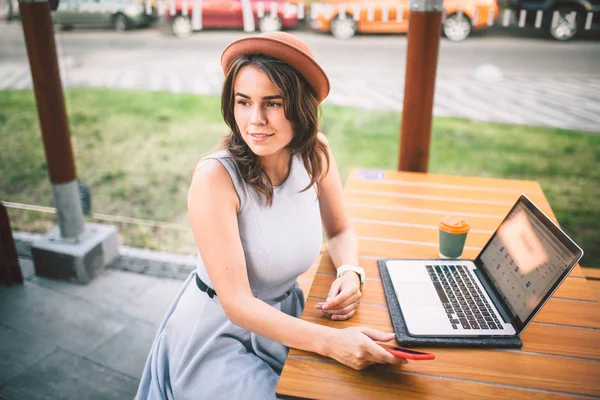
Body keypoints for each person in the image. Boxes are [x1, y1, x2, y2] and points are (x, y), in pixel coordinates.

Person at [136, 31, 405, 400]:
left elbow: (340, 231)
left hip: (287, 319)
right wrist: (332, 342)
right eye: (243, 102)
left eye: (273, 103)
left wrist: (350, 272)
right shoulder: (214, 178)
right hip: (220, 333)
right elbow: (238, 305)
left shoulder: (316, 153)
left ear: (300, 105)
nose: (255, 120)